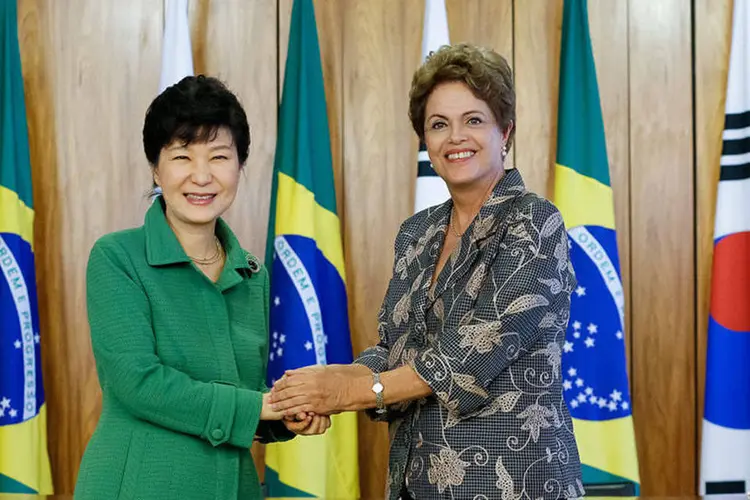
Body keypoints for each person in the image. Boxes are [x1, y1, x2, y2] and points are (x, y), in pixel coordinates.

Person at [269, 43, 584, 499]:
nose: (455, 137)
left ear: (505, 131)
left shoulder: (534, 222)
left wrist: (343, 394)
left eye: (473, 120)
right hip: (414, 484)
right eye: (439, 125)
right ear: (426, 141)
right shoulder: (417, 233)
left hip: (516, 482)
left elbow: (463, 362)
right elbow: (394, 351)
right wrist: (316, 386)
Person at [74, 75, 329, 500]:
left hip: (233, 485)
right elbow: (138, 383)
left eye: (219, 156)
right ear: (156, 167)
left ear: (240, 165)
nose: (202, 175)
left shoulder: (253, 274)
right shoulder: (117, 257)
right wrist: (262, 407)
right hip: (138, 486)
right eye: (181, 157)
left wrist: (285, 417)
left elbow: (241, 394)